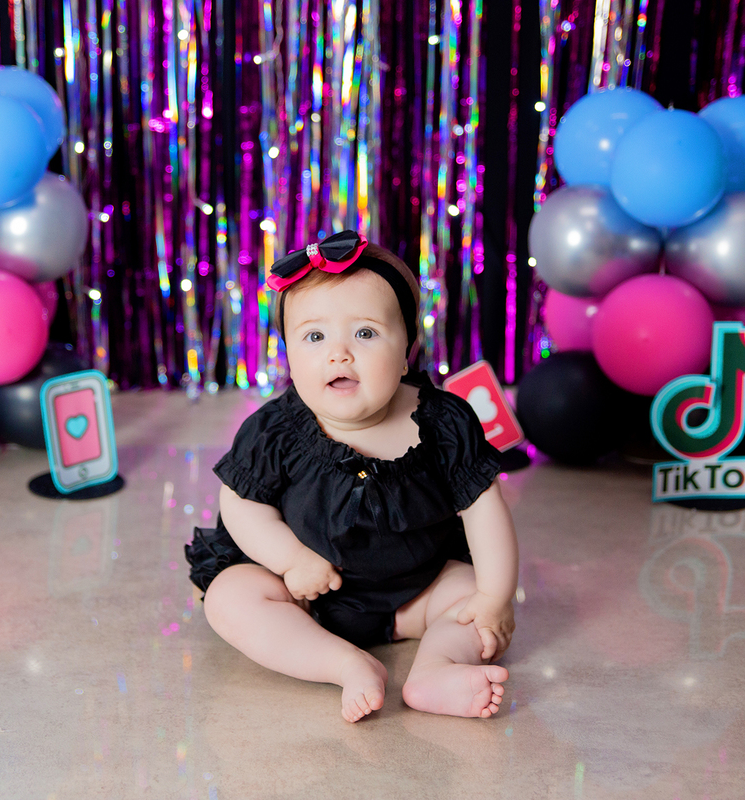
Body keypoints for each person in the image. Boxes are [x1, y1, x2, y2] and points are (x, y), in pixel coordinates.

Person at [185, 230, 518, 723]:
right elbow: (240, 504)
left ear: (408, 343)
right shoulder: (276, 429)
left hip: (416, 593)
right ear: (289, 355)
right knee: (231, 598)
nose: (338, 354)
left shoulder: (445, 422)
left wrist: (495, 596)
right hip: (306, 598)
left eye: (365, 333)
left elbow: (484, 508)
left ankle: (436, 669)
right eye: (314, 337)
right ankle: (340, 663)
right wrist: (291, 558)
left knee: (469, 595)